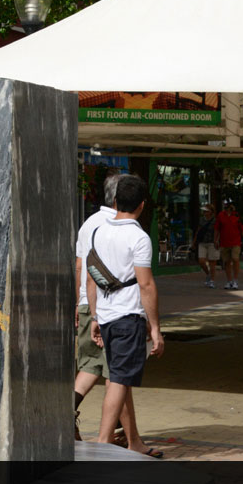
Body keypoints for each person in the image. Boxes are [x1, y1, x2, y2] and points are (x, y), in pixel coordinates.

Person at [88, 174, 165, 457]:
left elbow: (92, 276)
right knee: (119, 380)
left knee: (121, 378)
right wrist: (155, 327)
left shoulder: (99, 231)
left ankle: (134, 443)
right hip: (127, 316)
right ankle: (104, 441)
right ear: (142, 205)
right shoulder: (139, 237)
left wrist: (95, 316)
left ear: (116, 201)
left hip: (107, 315)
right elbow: (146, 284)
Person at [74, 172, 145, 448]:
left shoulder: (90, 223)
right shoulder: (118, 227)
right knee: (113, 375)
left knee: (112, 373)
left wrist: (80, 304)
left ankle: (132, 439)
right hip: (107, 308)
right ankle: (107, 438)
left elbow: (81, 267)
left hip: (89, 304)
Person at [215, 199, 243, 289]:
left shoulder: (237, 215)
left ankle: (235, 280)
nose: (228, 208)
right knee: (227, 261)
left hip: (235, 242)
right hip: (224, 242)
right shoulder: (221, 215)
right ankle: (229, 281)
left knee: (235, 258)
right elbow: (217, 228)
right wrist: (215, 240)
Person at [194, 203, 219, 287]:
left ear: (211, 212)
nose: (204, 212)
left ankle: (212, 280)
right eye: (204, 211)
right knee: (201, 260)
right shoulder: (202, 220)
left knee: (212, 262)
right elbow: (198, 230)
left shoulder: (215, 220)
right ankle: (208, 274)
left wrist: (217, 240)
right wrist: (195, 241)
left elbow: (218, 231)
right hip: (202, 242)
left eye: (206, 211)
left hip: (212, 242)